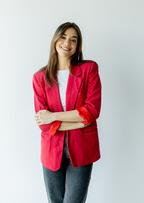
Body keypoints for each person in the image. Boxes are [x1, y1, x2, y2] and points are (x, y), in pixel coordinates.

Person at [32, 22, 102, 203]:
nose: (67, 43)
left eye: (73, 40)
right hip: (51, 149)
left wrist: (53, 116)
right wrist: (80, 121)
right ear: (55, 40)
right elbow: (43, 123)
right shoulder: (40, 78)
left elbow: (91, 111)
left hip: (81, 148)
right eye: (63, 37)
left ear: (78, 46)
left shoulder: (89, 69)